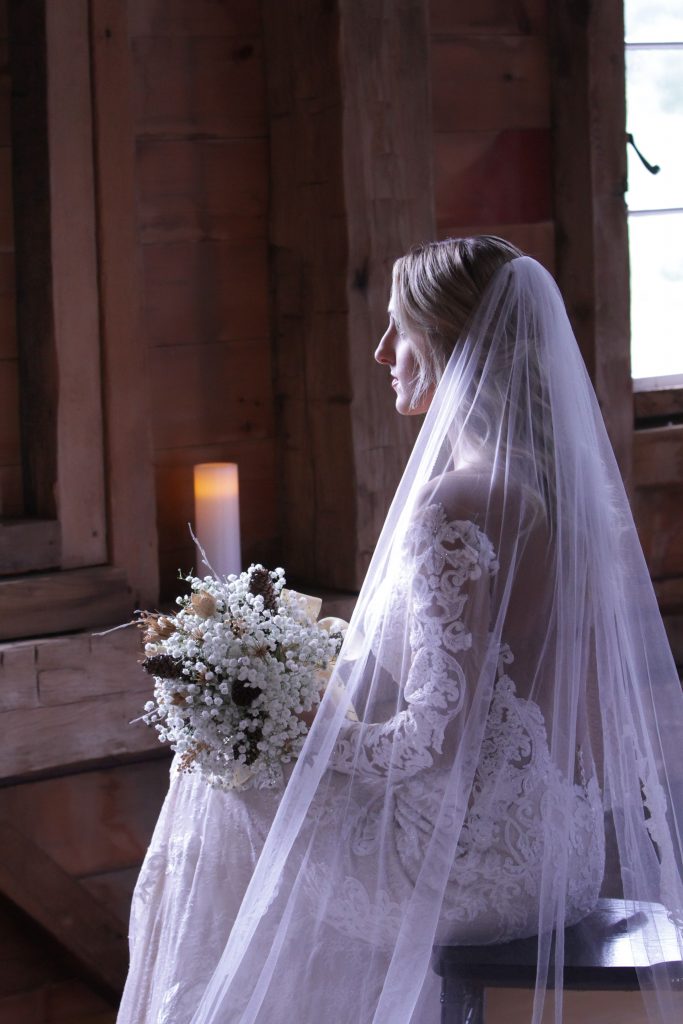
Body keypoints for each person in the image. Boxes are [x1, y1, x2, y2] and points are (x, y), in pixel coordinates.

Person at [127, 237, 683, 1024]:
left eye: (400, 328)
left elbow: (433, 743)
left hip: (474, 870)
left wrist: (301, 731)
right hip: (562, 854)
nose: (384, 351)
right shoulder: (553, 487)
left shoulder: (456, 502)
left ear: (454, 343)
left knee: (220, 769)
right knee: (237, 763)